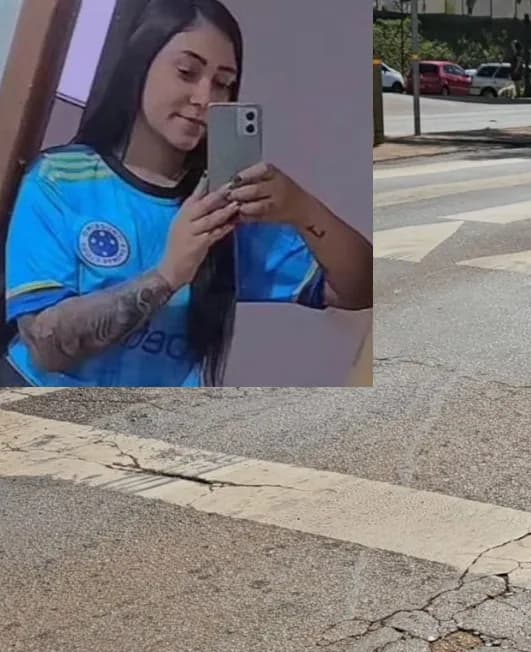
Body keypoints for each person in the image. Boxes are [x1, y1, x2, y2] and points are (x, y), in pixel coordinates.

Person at [2, 0, 372, 387]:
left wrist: (302, 208)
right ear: (140, 63)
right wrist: (169, 275)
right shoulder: (61, 180)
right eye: (187, 72)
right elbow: (45, 346)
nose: (205, 97)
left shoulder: (224, 208)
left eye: (223, 83)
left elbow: (357, 289)